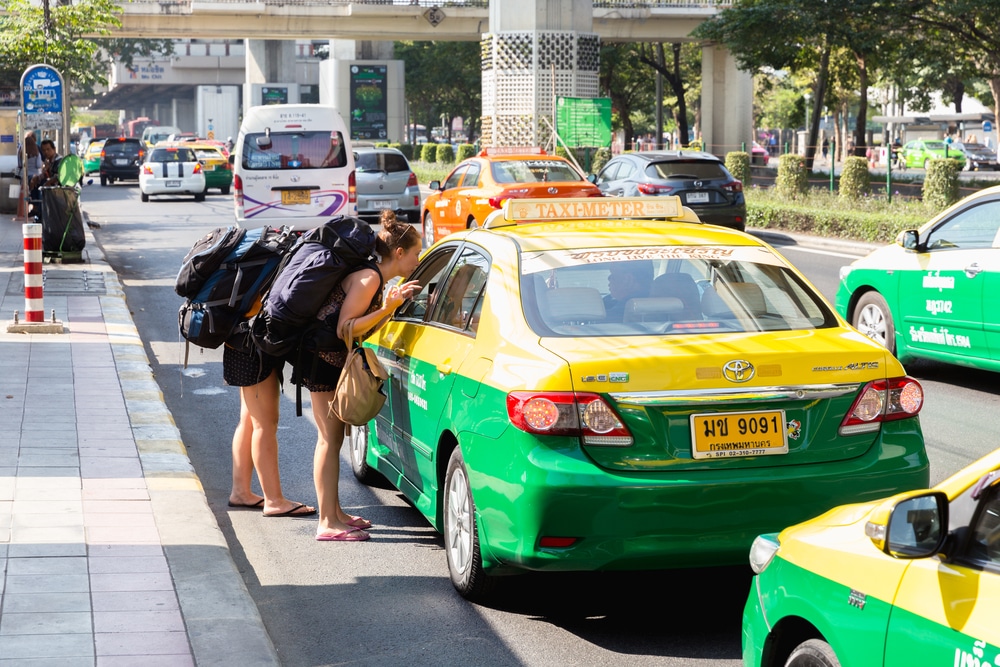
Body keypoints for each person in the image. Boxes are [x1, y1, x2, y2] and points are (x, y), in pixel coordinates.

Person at [294, 211, 421, 541]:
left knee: (335, 440)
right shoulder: (370, 278)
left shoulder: (376, 278)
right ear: (399, 254)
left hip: (330, 358)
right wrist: (388, 308)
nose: (418, 259)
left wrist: (390, 305)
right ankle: (326, 522)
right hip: (322, 359)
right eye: (417, 253)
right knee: (328, 439)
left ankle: (335, 512)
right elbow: (345, 327)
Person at [223, 332, 317, 517]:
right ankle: (274, 500)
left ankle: (241, 492)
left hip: (240, 340)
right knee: (264, 424)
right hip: (257, 343)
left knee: (249, 418)